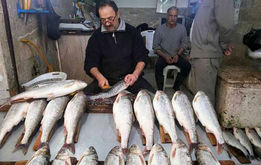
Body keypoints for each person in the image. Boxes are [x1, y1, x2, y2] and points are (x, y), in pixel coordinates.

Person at [84, 0, 155, 95]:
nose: (107, 23)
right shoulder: (96, 37)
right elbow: (90, 63)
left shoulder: (133, 33)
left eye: (110, 18)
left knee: (154, 97)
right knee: (82, 98)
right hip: (105, 81)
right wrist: (99, 77)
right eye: (103, 20)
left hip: (131, 80)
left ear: (118, 14)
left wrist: (135, 75)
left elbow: (142, 57)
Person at [188, 0, 235, 105]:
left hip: (206, 53)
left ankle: (206, 121)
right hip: (200, 52)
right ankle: (198, 121)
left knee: (204, 100)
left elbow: (226, 24)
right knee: (199, 98)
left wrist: (225, 45)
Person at [153, 6, 191, 91]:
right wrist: (165, 56)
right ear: (167, 16)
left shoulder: (182, 28)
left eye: (175, 16)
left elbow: (184, 44)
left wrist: (178, 55)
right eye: (171, 15)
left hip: (177, 55)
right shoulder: (160, 29)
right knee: (158, 67)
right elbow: (155, 47)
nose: (173, 18)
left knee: (187, 66)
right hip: (163, 55)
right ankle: (160, 90)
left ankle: (176, 86)